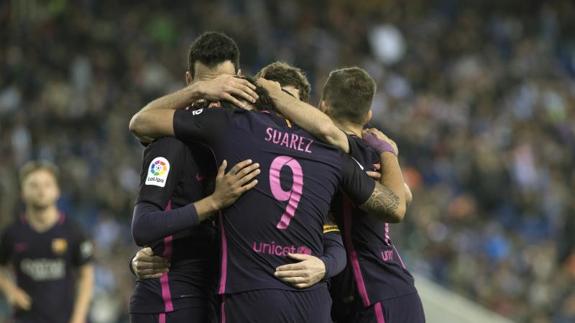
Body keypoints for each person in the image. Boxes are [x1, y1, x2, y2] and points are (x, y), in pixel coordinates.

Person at [129, 77, 405, 322]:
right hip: (311, 304)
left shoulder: (233, 128)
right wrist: (388, 152)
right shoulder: (331, 154)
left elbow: (141, 122)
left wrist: (325, 265)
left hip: (250, 298)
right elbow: (394, 206)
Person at [258, 67, 425, 323]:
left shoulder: (340, 149)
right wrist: (388, 153)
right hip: (394, 291)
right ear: (368, 114)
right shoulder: (375, 155)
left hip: (371, 294)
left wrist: (275, 95)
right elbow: (407, 195)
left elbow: (400, 204)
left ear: (323, 106)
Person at [129, 31, 261, 323]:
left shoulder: (250, 138)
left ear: (238, 78)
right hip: (173, 298)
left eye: (224, 85)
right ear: (189, 82)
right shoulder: (171, 142)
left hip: (220, 296)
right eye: (207, 87)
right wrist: (214, 201)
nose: (217, 96)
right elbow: (144, 227)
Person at [0, 161, 94, 323]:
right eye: (34, 185)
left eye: (47, 184)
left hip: (64, 318)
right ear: (23, 192)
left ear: (57, 191)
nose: (41, 190)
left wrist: (78, 317)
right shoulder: (12, 233)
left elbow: (86, 275)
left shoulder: (73, 231)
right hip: (25, 318)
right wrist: (10, 291)